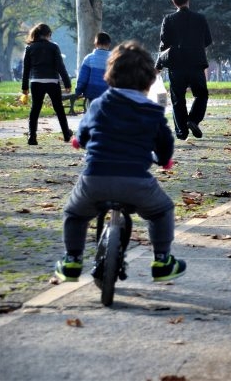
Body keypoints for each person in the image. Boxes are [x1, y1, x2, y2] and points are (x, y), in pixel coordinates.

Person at [55, 40, 186, 283]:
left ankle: (72, 260)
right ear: (148, 80)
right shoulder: (151, 111)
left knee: (74, 213)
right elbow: (165, 142)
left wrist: (79, 142)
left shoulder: (98, 105)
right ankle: (162, 260)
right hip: (136, 182)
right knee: (162, 210)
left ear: (110, 75)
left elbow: (83, 133)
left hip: (95, 180)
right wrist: (165, 160)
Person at [157, 0, 212, 140]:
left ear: (174, 2)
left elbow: (163, 44)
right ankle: (193, 120)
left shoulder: (168, 20)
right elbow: (208, 40)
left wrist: (158, 65)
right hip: (196, 64)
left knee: (177, 98)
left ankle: (181, 131)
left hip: (176, 66)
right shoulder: (200, 18)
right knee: (201, 94)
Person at [21, 23, 73, 146]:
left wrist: (24, 87)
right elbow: (60, 66)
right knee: (59, 108)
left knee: (35, 109)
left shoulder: (29, 48)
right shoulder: (54, 47)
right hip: (52, 82)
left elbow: (26, 69)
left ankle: (32, 136)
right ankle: (66, 134)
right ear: (48, 34)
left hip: (36, 82)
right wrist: (67, 82)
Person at [75, 32, 111, 107]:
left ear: (96, 44)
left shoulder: (89, 58)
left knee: (92, 115)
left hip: (92, 93)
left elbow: (83, 78)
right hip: (109, 93)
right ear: (109, 44)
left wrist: (78, 91)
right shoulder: (114, 59)